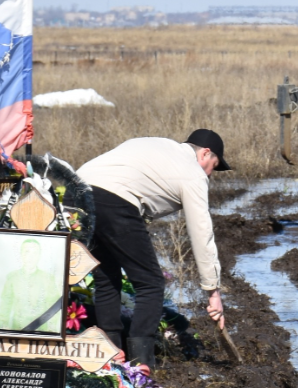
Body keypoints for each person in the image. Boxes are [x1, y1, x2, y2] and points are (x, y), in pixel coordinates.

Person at [78, 130, 231, 368]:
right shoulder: (193, 173)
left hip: (79, 194)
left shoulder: (157, 146)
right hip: (115, 200)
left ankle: (109, 358)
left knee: (107, 279)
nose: (210, 174)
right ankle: (142, 365)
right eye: (213, 166)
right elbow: (202, 233)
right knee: (150, 283)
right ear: (205, 153)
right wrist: (213, 291)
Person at [0, 239, 63, 333]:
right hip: (17, 329)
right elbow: (5, 303)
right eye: (27, 252)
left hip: (41, 330)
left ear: (39, 256)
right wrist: (3, 325)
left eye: (34, 253)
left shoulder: (48, 279)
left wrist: (52, 328)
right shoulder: (12, 278)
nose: (30, 257)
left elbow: (53, 303)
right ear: (21, 254)